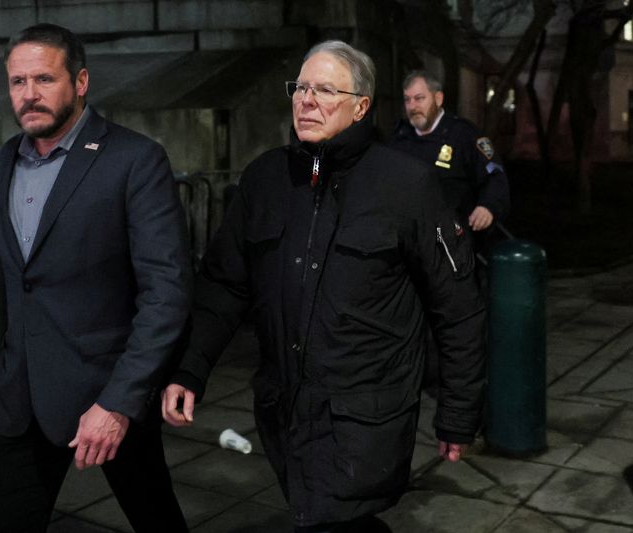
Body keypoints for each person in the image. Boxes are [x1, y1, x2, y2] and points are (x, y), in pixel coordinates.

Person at [162, 41, 485, 532]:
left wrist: (457, 413)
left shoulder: (406, 186)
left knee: (332, 520)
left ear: (361, 106)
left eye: (326, 90)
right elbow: (225, 285)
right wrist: (190, 368)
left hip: (364, 419)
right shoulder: (266, 179)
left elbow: (456, 307)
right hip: (283, 410)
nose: (306, 100)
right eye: (301, 87)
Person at [0, 23, 191, 533]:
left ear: (80, 82)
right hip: (21, 400)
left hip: (108, 394)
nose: (29, 95)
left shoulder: (134, 159)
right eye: (17, 82)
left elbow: (166, 293)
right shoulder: (5, 159)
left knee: (156, 519)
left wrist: (119, 402)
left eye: (44, 79)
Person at [389, 70, 510, 254]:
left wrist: (487, 206)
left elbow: (494, 175)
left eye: (419, 98)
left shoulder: (464, 135)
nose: (412, 106)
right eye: (407, 99)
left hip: (455, 244)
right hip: (408, 244)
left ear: (438, 99)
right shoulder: (399, 139)